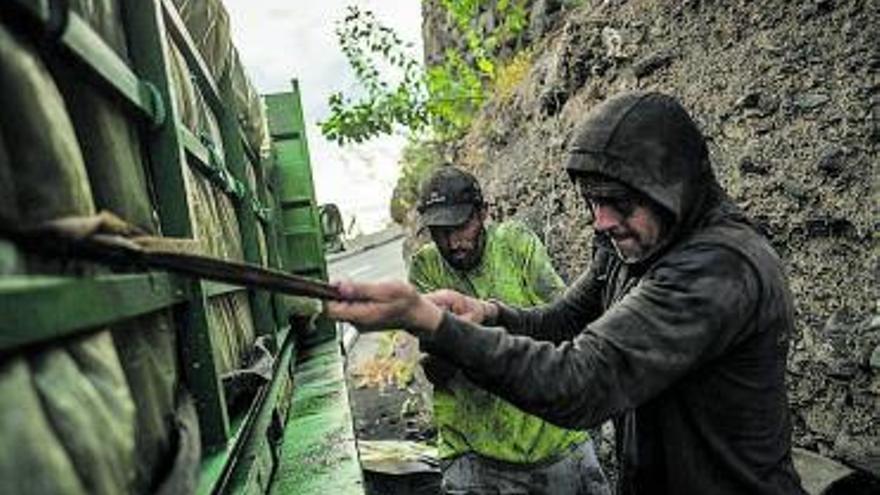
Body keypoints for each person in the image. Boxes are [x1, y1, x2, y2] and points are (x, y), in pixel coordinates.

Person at [328, 91, 808, 495]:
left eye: (617, 202)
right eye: (593, 202)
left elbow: (580, 381)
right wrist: (486, 312)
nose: (600, 221)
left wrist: (430, 322)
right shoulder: (632, 247)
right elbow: (560, 319)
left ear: (672, 188)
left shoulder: (718, 269)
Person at [410, 165, 610, 494]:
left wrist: (483, 326)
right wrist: (448, 342)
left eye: (461, 225)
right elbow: (436, 371)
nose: (453, 242)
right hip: (473, 449)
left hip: (552, 437)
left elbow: (562, 322)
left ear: (483, 214)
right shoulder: (425, 267)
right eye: (439, 231)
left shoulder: (515, 244)